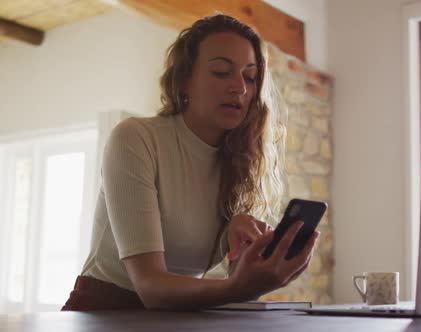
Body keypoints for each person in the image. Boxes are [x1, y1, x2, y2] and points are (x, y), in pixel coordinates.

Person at [62, 14, 319, 311]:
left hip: (177, 319)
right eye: (221, 72)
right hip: (102, 314)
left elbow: (214, 288)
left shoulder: (239, 164)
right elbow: (150, 287)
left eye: (250, 77)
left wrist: (245, 265)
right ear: (184, 80)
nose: (240, 87)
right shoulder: (135, 138)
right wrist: (235, 287)